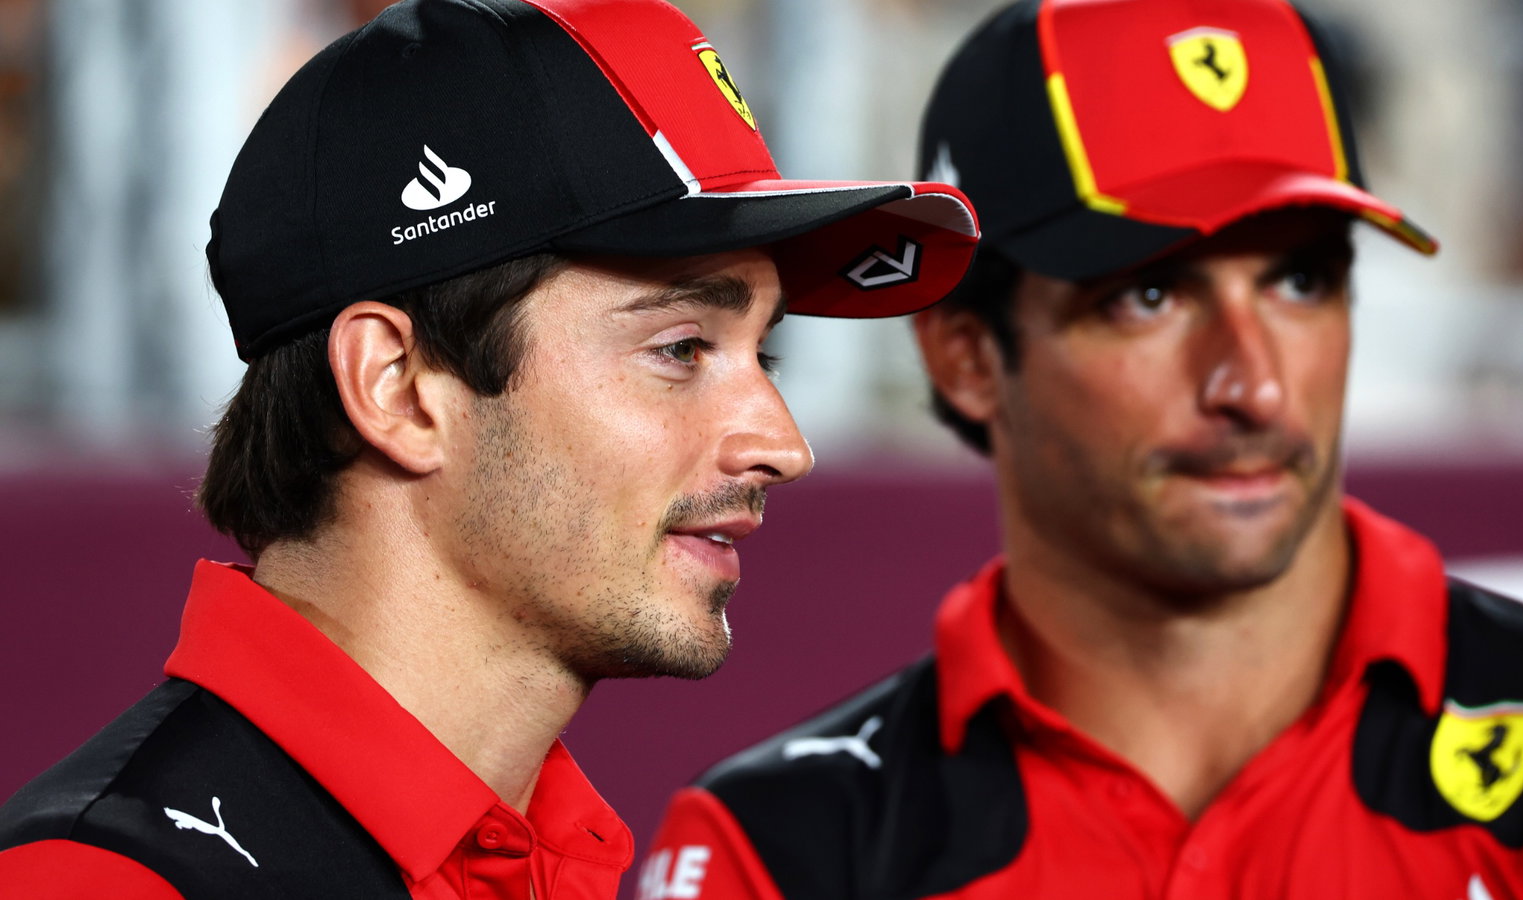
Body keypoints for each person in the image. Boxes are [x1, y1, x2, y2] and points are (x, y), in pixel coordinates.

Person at [0, 1, 977, 897]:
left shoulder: (555, 854)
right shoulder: (104, 881)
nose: (782, 444)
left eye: (759, 353)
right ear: (398, 388)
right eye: (680, 349)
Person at [639, 0, 1523, 897]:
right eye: (1150, 296)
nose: (1254, 385)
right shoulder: (784, 850)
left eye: (1300, 282)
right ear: (968, 356)